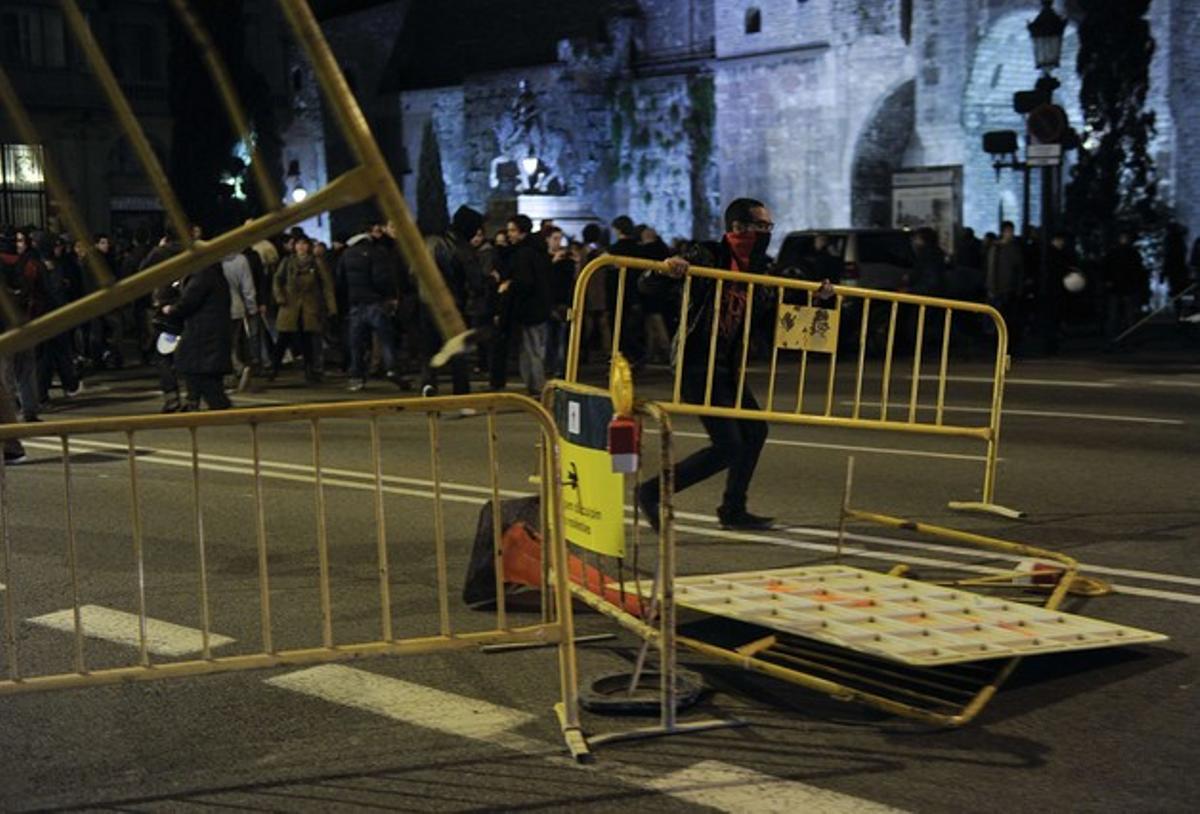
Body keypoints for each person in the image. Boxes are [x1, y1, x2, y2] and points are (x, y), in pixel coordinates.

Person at [636, 198, 833, 531]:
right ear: (739, 228)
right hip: (697, 362)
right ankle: (652, 491)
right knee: (728, 445)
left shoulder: (758, 268)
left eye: (770, 226)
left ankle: (733, 509)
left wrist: (816, 299)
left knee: (754, 432)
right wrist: (668, 268)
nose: (768, 233)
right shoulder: (706, 254)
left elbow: (773, 315)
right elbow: (647, 285)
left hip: (728, 364)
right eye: (762, 226)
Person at [422, 205, 484, 395]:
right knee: (457, 350)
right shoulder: (462, 248)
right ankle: (461, 391)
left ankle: (428, 384)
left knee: (429, 348)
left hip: (426, 303)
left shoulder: (431, 242)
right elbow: (475, 281)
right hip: (452, 305)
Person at [338, 223, 406, 392]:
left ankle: (356, 376)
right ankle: (391, 369)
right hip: (375, 302)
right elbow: (381, 278)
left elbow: (340, 281)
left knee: (356, 342)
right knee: (385, 339)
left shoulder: (346, 254)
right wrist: (389, 296)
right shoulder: (377, 253)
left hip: (355, 303)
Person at [163, 260, 233, 411]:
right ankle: (192, 400)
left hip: (203, 335)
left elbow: (188, 301)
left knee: (201, 374)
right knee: (202, 374)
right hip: (209, 334)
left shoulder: (203, 274)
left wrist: (171, 309)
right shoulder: (212, 272)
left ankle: (196, 402)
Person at [270, 234, 337, 383]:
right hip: (289, 306)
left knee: (308, 340)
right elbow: (277, 280)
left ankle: (310, 370)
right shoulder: (287, 262)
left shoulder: (316, 263)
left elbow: (327, 286)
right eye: (298, 244)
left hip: (310, 307)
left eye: (304, 244)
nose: (301, 247)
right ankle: (274, 369)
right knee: (283, 338)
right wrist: (280, 297)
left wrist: (331, 307)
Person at [500, 215, 551, 395]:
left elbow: (525, 281)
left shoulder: (523, 253)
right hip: (540, 307)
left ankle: (537, 386)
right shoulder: (538, 250)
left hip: (529, 309)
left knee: (532, 350)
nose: (509, 234)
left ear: (522, 232)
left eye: (512, 230)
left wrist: (509, 285)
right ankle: (536, 385)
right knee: (536, 349)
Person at [221, 249, 258, 392]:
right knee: (233, 343)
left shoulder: (211, 259)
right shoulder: (241, 260)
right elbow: (248, 287)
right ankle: (236, 370)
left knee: (223, 344)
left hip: (216, 308)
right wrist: (251, 307)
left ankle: (235, 370)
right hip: (236, 307)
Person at [986, 221, 1025, 351]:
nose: (1010, 234)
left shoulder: (1007, 248)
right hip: (1000, 289)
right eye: (1009, 231)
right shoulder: (999, 248)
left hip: (1008, 289)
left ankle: (1006, 346)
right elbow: (992, 270)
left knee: (1008, 319)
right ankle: (1000, 345)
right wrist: (992, 288)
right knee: (1002, 318)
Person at [1103, 230, 1148, 340]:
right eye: (1122, 237)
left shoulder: (1132, 253)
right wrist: (1108, 280)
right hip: (1116, 286)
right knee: (1114, 314)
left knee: (1129, 314)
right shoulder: (1113, 252)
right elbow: (1106, 268)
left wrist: (1138, 283)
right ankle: (1113, 336)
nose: (1124, 240)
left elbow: (1138, 270)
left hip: (1128, 287)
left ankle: (1129, 335)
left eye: (1125, 238)